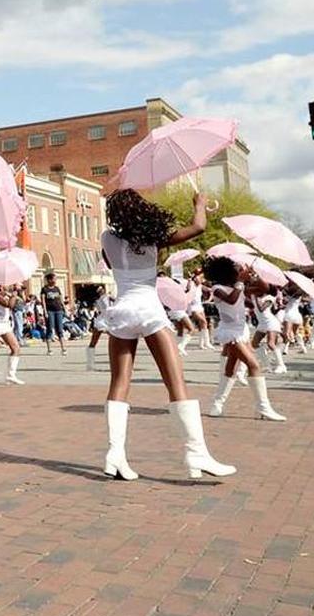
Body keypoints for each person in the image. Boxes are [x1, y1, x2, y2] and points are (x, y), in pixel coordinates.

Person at [99, 190, 236, 481]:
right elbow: (198, 227)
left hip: (122, 309)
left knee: (119, 383)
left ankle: (115, 453)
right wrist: (198, 204)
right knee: (176, 383)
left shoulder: (106, 239)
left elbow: (112, 264)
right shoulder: (153, 239)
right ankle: (195, 452)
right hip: (149, 309)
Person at [203, 256, 288, 422]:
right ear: (226, 272)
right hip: (230, 333)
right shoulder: (217, 288)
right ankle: (263, 407)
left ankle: (217, 404)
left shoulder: (238, 287)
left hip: (242, 332)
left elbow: (263, 292)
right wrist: (241, 283)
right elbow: (232, 299)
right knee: (254, 365)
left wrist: (254, 277)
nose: (239, 270)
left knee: (231, 369)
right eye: (236, 268)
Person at [251, 286, 286, 374]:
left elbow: (261, 309)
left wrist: (255, 299)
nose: (255, 291)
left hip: (271, 322)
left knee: (270, 344)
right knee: (254, 343)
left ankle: (281, 366)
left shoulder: (269, 298)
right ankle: (266, 365)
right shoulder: (255, 297)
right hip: (262, 323)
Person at [85, 285, 111, 372]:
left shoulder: (97, 299)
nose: (103, 290)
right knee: (115, 340)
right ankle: (90, 364)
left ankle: (90, 364)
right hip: (106, 319)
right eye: (100, 289)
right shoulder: (104, 298)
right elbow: (108, 309)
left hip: (102, 319)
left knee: (93, 342)